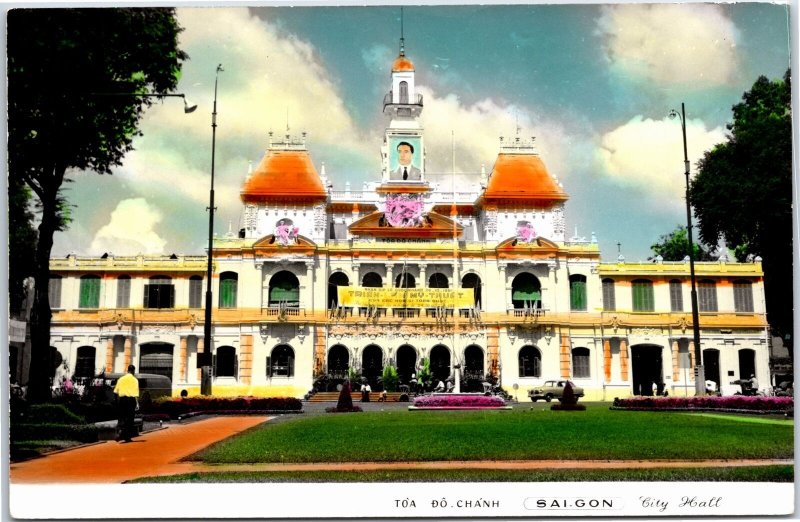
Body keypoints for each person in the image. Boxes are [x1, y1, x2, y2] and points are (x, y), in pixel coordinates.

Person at [113, 364, 139, 443]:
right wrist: (137, 404)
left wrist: (117, 401)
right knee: (130, 419)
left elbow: (115, 391)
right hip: (131, 400)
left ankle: (119, 432)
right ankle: (127, 437)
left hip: (122, 400)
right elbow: (135, 394)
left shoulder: (121, 379)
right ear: (133, 371)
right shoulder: (135, 380)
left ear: (127, 370)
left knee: (121, 417)